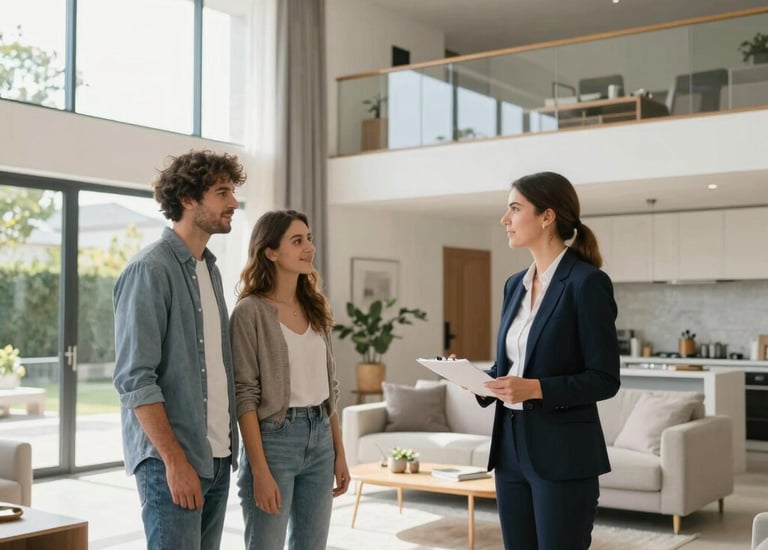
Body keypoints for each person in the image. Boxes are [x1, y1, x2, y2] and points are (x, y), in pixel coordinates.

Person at [480, 171, 620, 550]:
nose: (504, 219)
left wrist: (537, 389)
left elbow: (605, 378)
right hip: (509, 450)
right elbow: (512, 367)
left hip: (563, 455)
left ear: (547, 217)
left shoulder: (586, 283)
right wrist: (479, 380)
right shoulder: (515, 285)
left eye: (514, 208)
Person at [113, 149, 246, 550]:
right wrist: (174, 461)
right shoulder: (150, 270)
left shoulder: (210, 268)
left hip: (217, 457)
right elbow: (135, 380)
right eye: (222, 193)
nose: (234, 203)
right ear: (189, 200)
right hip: (172, 460)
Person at [229, 209, 350, 550]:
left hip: (321, 436)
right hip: (274, 442)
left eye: (309, 239)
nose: (309, 247)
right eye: (297, 241)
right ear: (271, 252)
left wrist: (339, 453)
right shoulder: (249, 312)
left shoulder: (315, 306)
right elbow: (244, 396)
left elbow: (331, 389)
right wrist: (259, 471)